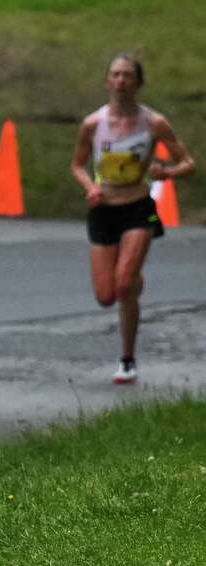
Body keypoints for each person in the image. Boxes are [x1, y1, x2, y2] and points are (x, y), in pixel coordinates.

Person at [71, 53, 195, 384]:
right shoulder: (93, 124)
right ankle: (134, 281)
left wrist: (166, 172)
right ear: (106, 81)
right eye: (115, 75)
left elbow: (189, 163)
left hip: (137, 207)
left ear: (138, 83)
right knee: (105, 295)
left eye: (127, 75)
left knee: (123, 283)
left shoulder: (153, 123)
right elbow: (77, 165)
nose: (121, 81)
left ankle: (127, 359)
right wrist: (89, 187)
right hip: (103, 209)